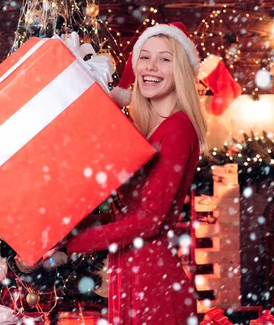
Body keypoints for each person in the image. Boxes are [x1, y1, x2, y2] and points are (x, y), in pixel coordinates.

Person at [67, 22, 207, 325]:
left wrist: (75, 243)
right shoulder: (151, 131)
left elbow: (149, 219)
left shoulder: (179, 129)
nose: (150, 66)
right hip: (133, 276)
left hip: (154, 284)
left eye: (164, 59)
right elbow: (126, 214)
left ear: (181, 70)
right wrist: (69, 230)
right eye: (144, 57)